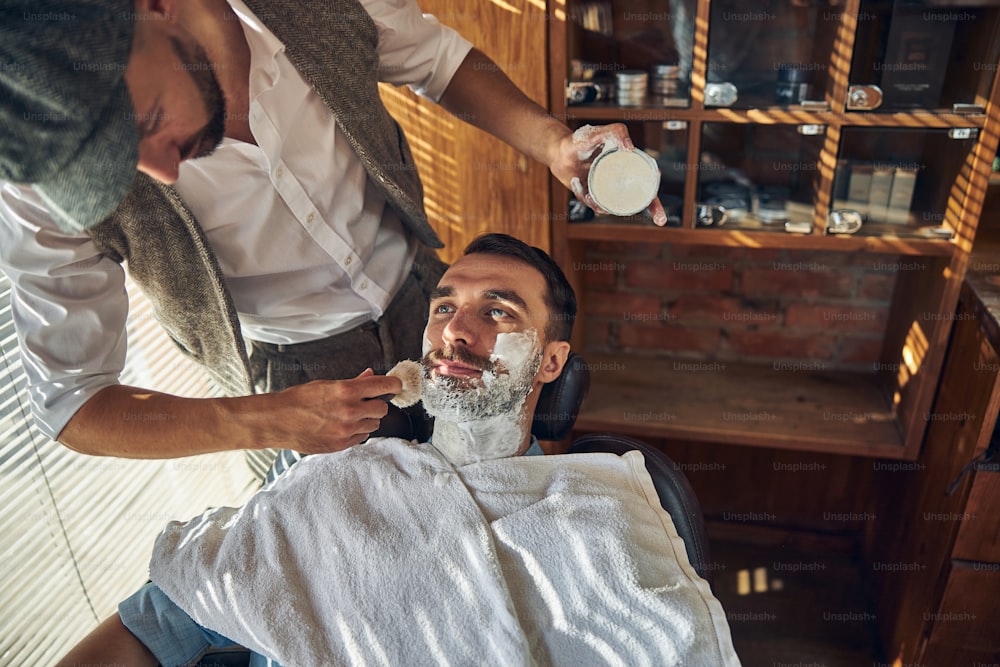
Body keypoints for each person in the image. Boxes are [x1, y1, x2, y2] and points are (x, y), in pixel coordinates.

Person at [0, 0, 667, 478]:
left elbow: (435, 58)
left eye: (146, 121)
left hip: (418, 293)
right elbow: (75, 402)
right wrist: (258, 419)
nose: (163, 173)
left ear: (156, 8)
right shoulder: (38, 182)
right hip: (288, 382)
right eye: (121, 169)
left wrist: (553, 143)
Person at [56, 233, 740, 667]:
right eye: (444, 307)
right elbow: (152, 627)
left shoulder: (603, 510)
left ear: (551, 360)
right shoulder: (330, 483)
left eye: (498, 311)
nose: (456, 332)